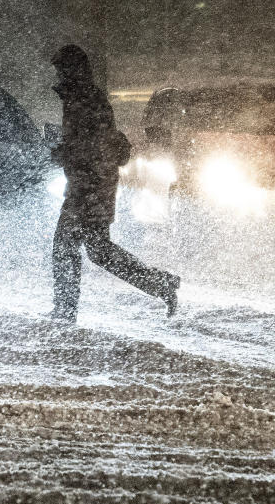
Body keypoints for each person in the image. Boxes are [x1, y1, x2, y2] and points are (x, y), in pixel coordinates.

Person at [48, 44, 180, 323]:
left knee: (67, 245)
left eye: (62, 69)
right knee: (97, 250)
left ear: (73, 71)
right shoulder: (82, 97)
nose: (58, 75)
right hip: (93, 182)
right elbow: (96, 141)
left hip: (90, 185)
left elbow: (94, 145)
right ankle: (160, 284)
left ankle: (65, 310)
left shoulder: (84, 99)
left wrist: (62, 152)